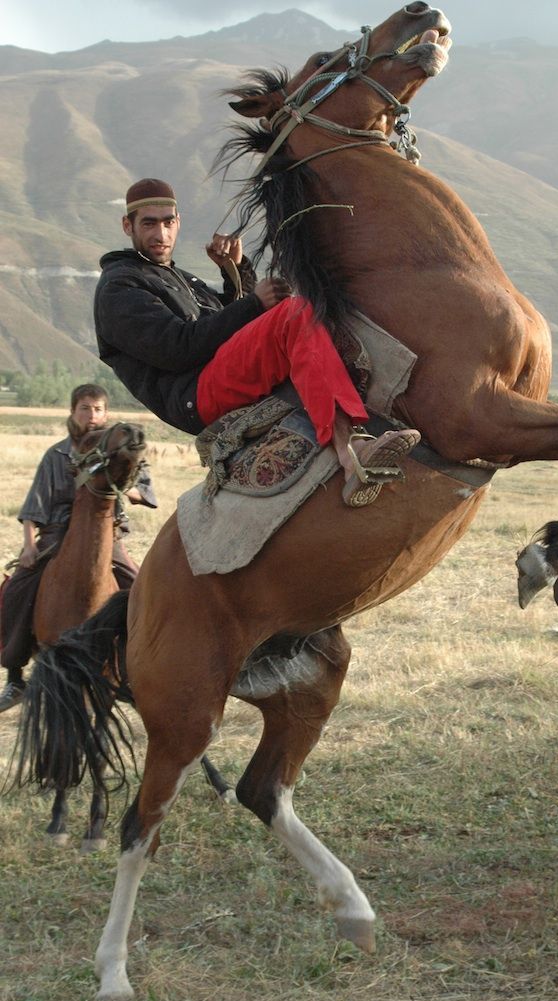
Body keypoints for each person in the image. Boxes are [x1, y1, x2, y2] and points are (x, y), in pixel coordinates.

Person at [94, 178, 419, 509]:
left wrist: (236, 271)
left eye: (168, 222)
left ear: (178, 223)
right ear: (127, 225)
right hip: (196, 394)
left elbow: (226, 324)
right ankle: (350, 451)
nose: (160, 234)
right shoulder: (120, 288)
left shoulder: (175, 277)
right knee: (293, 314)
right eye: (149, 223)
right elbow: (178, 349)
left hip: (213, 374)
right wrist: (253, 304)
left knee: (314, 307)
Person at [0, 383, 157, 712]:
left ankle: (141, 670)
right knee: (16, 589)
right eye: (85, 408)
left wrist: (123, 484)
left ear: (106, 413)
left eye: (98, 409)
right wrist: (28, 546)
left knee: (143, 591)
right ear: (73, 412)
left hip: (106, 536)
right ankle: (15, 676)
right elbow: (34, 507)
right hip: (58, 532)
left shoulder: (118, 449)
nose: (92, 415)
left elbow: (145, 494)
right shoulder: (57, 454)